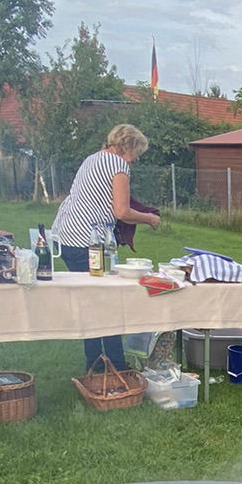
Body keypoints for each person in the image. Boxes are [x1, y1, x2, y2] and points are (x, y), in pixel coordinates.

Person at [52, 122, 162, 372]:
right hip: (87, 240)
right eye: (136, 154)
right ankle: (116, 367)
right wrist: (149, 218)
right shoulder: (119, 166)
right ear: (129, 146)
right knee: (107, 303)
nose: (135, 160)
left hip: (66, 235)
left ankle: (96, 365)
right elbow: (122, 211)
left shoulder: (92, 158)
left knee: (91, 302)